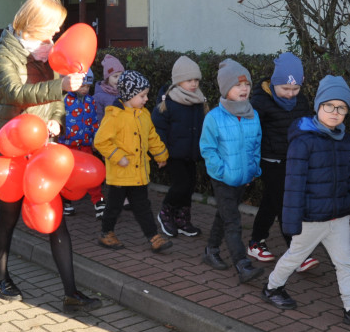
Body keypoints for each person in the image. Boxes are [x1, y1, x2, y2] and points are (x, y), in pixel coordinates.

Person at [0, 0, 101, 313]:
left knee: (56, 220)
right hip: (9, 148)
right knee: (7, 220)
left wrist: (56, 122)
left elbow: (56, 105)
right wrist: (61, 86)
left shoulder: (49, 52)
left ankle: (71, 293)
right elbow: (13, 93)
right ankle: (0, 278)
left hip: (41, 149)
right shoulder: (4, 53)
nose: (55, 36)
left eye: (58, 29)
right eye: (51, 28)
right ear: (33, 23)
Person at [262, 75, 350, 328]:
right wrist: (291, 224)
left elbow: (349, 176)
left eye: (342, 107)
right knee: (294, 256)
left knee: (345, 262)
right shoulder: (303, 141)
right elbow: (293, 184)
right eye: (329, 105)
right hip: (311, 218)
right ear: (318, 106)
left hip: (339, 217)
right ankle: (272, 288)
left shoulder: (345, 140)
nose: (335, 112)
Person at [248, 52, 318, 272]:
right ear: (274, 83)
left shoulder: (302, 101)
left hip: (293, 160)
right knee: (285, 205)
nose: (290, 94)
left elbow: (307, 126)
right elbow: (250, 132)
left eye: (295, 89)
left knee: (271, 202)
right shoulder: (260, 101)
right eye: (285, 89)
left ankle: (255, 242)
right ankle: (297, 252)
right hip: (270, 161)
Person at [198, 59, 263, 282]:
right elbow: (207, 148)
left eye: (247, 85)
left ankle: (211, 250)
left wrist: (253, 169)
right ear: (226, 89)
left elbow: (256, 144)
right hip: (223, 178)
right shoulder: (214, 117)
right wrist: (222, 171)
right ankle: (242, 264)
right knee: (232, 221)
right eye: (238, 85)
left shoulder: (252, 114)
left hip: (243, 178)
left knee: (224, 214)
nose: (244, 89)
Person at [95, 70, 172, 254]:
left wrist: (161, 155)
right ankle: (106, 233)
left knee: (142, 206)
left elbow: (152, 137)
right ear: (129, 95)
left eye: (146, 95)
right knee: (113, 207)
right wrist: (117, 156)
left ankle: (153, 237)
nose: (146, 99)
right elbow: (100, 141)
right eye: (142, 95)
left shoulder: (144, 115)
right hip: (120, 174)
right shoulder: (114, 116)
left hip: (138, 174)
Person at [152, 55, 207, 238]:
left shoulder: (199, 101)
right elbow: (158, 130)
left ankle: (182, 219)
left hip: (191, 153)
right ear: (178, 82)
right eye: (189, 80)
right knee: (180, 184)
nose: (193, 84)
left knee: (189, 186)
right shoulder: (168, 103)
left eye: (196, 80)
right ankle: (166, 213)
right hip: (173, 154)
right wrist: (162, 153)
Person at [58, 69, 101, 215]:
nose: (85, 89)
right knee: (66, 173)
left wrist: (95, 137)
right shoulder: (63, 99)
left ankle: (98, 200)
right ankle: (66, 201)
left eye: (88, 87)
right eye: (82, 86)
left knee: (91, 172)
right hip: (67, 144)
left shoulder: (91, 101)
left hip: (85, 144)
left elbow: (94, 121)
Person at [93, 54, 125, 122]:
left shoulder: (124, 92)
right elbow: (98, 119)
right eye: (115, 76)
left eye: (121, 76)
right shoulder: (99, 97)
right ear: (107, 78)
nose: (119, 80)